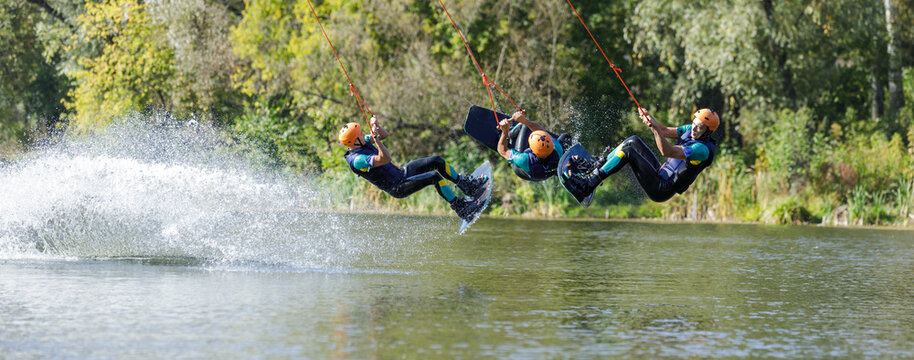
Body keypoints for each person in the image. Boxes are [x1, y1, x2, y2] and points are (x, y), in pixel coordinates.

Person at [339, 115, 488, 217]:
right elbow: (385, 158)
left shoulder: (360, 142)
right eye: (360, 133)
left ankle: (466, 185)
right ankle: (461, 208)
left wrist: (377, 127)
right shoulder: (357, 160)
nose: (363, 133)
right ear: (354, 141)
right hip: (397, 186)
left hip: (402, 173)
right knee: (434, 177)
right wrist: (377, 141)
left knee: (436, 160)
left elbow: (384, 135)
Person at [562, 108, 719, 202]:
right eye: (694, 124)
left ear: (708, 132)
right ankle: (595, 166)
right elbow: (664, 131)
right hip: (661, 173)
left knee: (629, 152)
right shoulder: (689, 130)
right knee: (633, 141)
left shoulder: (701, 150)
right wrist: (649, 118)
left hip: (662, 188)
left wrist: (654, 129)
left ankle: (588, 185)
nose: (693, 129)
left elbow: (667, 151)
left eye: (699, 128)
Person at [496, 110, 572, 181]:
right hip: (542, 175)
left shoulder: (523, 159)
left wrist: (505, 132)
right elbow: (540, 129)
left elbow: (502, 150)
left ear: (530, 148)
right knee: (566, 137)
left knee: (525, 126)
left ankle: (510, 135)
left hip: (521, 171)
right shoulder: (557, 148)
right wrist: (524, 120)